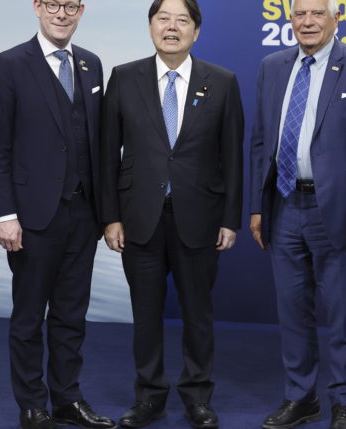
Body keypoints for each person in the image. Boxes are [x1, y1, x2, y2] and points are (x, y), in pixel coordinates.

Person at [249, 0, 346, 427]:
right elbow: (261, 143)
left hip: (340, 211)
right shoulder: (272, 66)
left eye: (317, 13)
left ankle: (344, 402)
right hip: (283, 204)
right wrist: (257, 207)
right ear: (290, 19)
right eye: (299, 14)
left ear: (336, 18)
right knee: (292, 311)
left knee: (343, 312)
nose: (307, 21)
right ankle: (301, 398)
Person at [100, 0, 244, 427]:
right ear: (150, 27)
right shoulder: (123, 78)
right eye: (164, 19)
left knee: (198, 314)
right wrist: (110, 217)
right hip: (138, 217)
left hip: (200, 219)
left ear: (196, 32)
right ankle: (149, 397)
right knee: (145, 315)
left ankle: (197, 396)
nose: (172, 27)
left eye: (183, 20)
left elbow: (232, 157)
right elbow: (108, 154)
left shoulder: (221, 82)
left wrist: (230, 219)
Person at [0, 1, 115, 428]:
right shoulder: (8, 65)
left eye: (71, 5)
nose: (62, 13)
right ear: (38, 7)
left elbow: (99, 144)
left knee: (71, 315)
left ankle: (67, 400)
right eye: (54, 4)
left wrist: (107, 212)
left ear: (82, 10)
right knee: (28, 317)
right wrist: (4, 213)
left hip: (84, 214)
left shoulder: (92, 65)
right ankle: (32, 405)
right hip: (33, 216)